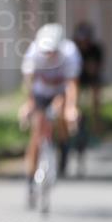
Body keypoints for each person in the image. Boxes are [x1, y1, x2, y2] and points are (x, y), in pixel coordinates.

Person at [19, 23, 81, 189]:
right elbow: (29, 82)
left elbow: (72, 85)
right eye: (45, 51)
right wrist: (29, 104)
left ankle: (63, 145)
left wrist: (71, 108)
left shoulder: (70, 53)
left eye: (52, 51)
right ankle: (30, 176)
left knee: (62, 115)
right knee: (37, 131)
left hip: (60, 92)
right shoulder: (33, 54)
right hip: (41, 93)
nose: (48, 54)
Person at [73, 22, 104, 135]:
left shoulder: (96, 49)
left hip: (91, 78)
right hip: (77, 77)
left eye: (85, 39)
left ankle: (96, 123)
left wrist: (91, 68)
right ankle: (75, 121)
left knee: (96, 94)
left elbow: (96, 68)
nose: (83, 42)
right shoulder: (73, 49)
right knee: (73, 93)